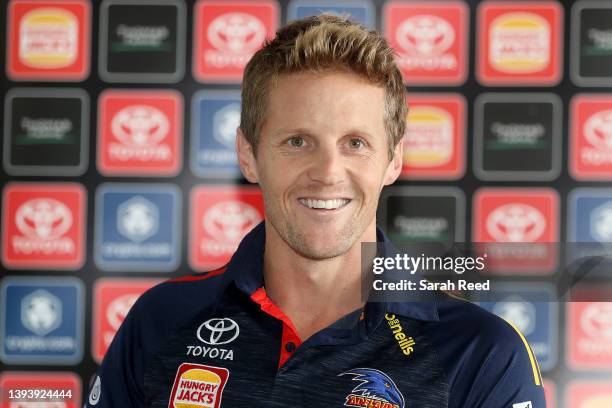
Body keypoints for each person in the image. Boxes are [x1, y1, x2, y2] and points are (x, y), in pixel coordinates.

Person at [85, 14, 546, 408]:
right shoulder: (161, 320)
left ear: (394, 160)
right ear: (248, 154)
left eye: (356, 144)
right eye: (297, 142)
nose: (327, 172)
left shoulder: (481, 353)